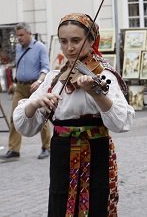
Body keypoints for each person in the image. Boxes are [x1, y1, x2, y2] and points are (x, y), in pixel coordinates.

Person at [13, 13, 134, 216]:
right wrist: (33, 104)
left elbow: (122, 122)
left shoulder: (103, 76)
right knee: (60, 205)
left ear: (91, 40)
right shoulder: (53, 79)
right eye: (64, 41)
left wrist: (96, 93)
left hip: (96, 151)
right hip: (62, 153)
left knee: (97, 205)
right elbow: (26, 127)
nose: (69, 48)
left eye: (76, 41)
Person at [0, 22, 51, 161]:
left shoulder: (40, 47)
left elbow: (46, 67)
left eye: (21, 35)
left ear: (29, 33)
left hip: (36, 86)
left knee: (42, 116)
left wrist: (40, 81)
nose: (19, 38)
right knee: (15, 117)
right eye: (17, 36)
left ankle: (47, 147)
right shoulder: (18, 48)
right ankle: (14, 149)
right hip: (20, 87)